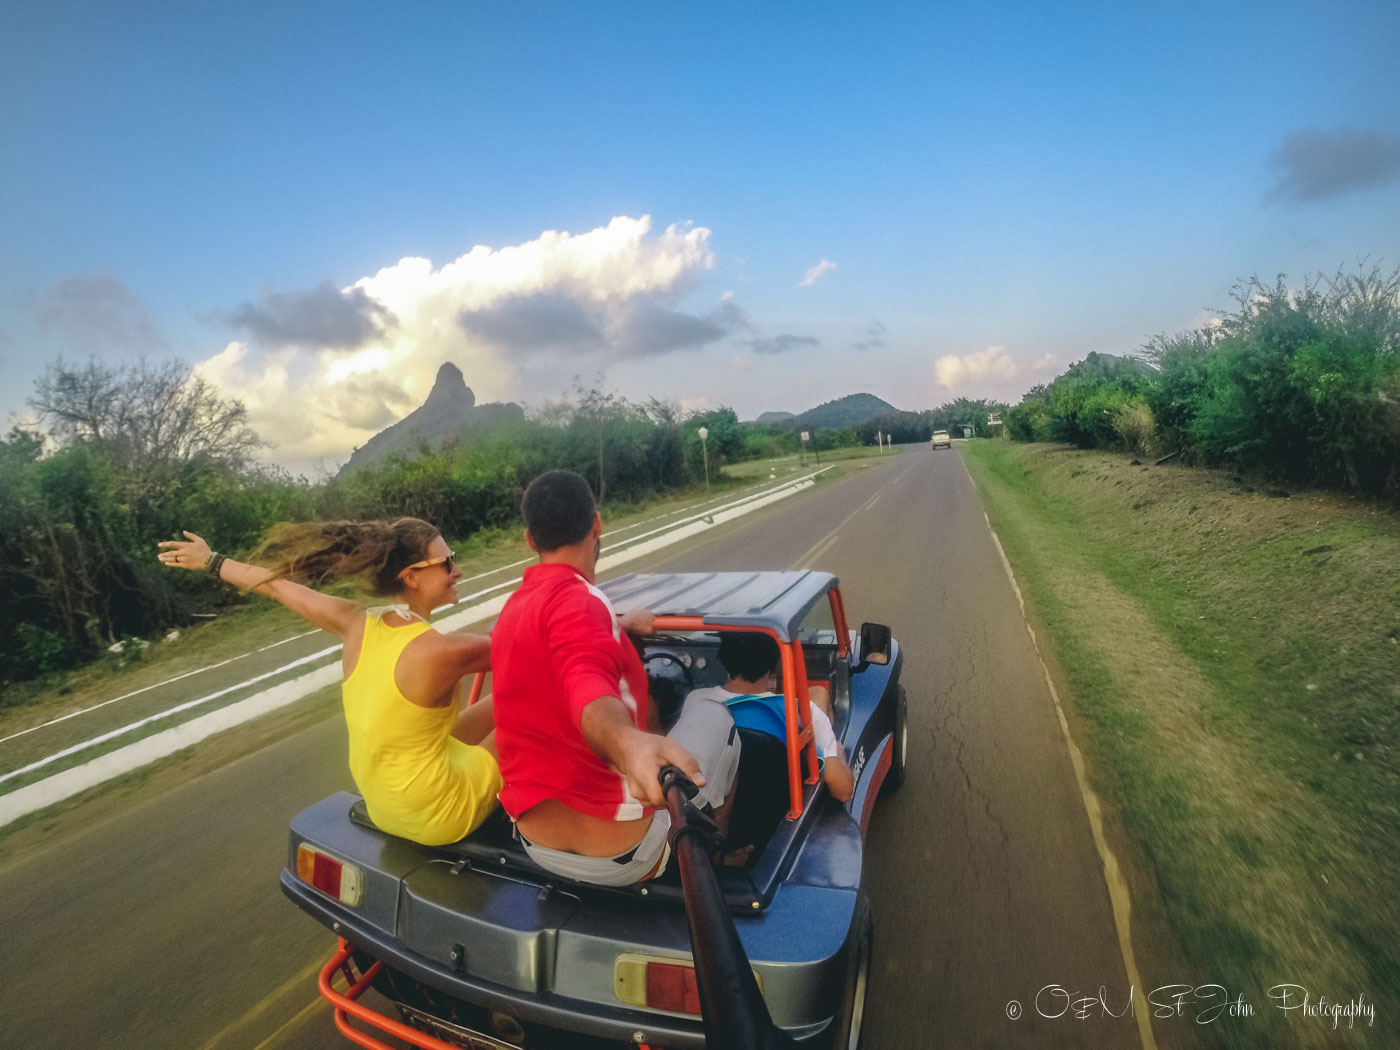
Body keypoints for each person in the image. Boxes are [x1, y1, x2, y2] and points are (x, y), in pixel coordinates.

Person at [157, 519, 501, 846]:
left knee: (502, 702)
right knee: (534, 705)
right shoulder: (445, 651)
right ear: (411, 577)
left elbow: (277, 587)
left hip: (385, 807)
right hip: (440, 813)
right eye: (447, 563)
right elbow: (535, 656)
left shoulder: (355, 623)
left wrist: (212, 560)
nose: (458, 570)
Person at [491, 470, 742, 886]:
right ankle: (713, 863)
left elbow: (568, 650)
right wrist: (629, 744)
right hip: (627, 855)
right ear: (597, 524)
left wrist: (621, 626)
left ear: (530, 541)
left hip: (535, 845)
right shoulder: (585, 601)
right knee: (717, 715)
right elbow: (586, 684)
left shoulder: (512, 611)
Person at [686, 632, 854, 803]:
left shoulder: (697, 701)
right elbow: (843, 791)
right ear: (775, 664)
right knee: (819, 695)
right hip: (775, 805)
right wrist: (837, 754)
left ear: (723, 658)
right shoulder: (799, 711)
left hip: (713, 799)